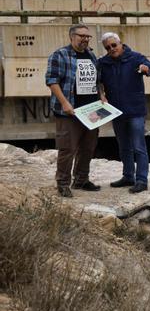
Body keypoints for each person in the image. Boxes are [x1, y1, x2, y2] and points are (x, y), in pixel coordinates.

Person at [46, 24, 102, 197]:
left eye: (88, 36)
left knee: (88, 147)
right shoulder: (60, 55)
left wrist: (102, 96)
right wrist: (64, 103)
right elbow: (51, 81)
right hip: (70, 111)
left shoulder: (91, 55)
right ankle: (63, 183)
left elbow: (96, 80)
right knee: (67, 148)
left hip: (91, 110)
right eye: (81, 36)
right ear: (72, 37)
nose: (85, 39)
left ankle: (81, 180)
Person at [97, 32, 150, 194]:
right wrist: (101, 95)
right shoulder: (103, 63)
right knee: (124, 147)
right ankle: (128, 176)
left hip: (135, 110)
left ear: (120, 44)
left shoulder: (135, 58)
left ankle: (142, 180)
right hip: (116, 112)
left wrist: (147, 68)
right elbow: (97, 82)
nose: (111, 49)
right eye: (108, 47)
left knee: (139, 147)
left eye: (114, 45)